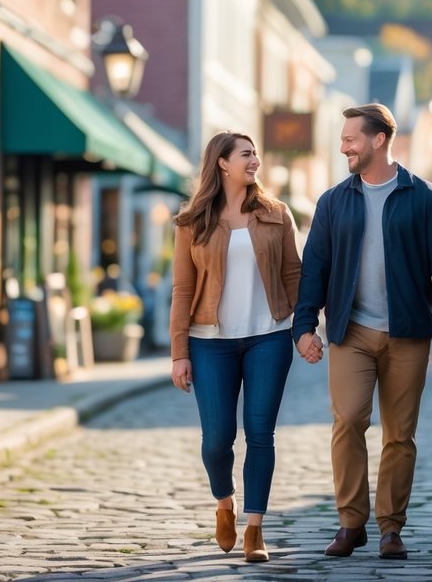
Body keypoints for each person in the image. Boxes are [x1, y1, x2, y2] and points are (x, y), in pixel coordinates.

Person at [293, 103, 432, 560]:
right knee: (348, 420)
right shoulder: (333, 201)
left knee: (399, 433)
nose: (343, 146)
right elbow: (315, 268)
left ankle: (391, 527)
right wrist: (304, 325)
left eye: (351, 138)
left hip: (408, 334)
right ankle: (352, 522)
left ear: (378, 140)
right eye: (343, 138)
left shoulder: (423, 197)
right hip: (351, 332)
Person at [170, 131, 302, 563]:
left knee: (261, 435)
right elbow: (182, 291)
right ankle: (224, 503)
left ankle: (255, 528)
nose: (255, 160)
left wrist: (305, 327)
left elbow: (293, 276)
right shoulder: (192, 223)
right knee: (217, 440)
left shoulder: (276, 215)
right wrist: (179, 353)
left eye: (255, 153)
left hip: (269, 336)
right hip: (209, 343)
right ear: (222, 164)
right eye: (246, 154)